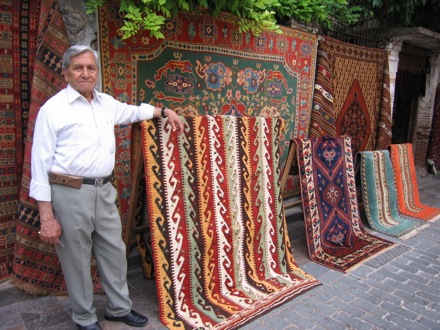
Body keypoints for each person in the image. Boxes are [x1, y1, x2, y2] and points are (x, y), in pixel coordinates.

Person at [29, 45, 184, 330]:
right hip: (69, 193)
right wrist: (47, 216)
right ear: (65, 72)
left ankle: (118, 308)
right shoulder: (52, 110)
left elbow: (133, 112)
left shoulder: (105, 103)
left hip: (104, 190)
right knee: (76, 258)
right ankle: (85, 318)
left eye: (90, 68)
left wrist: (164, 111)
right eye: (78, 68)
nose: (85, 73)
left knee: (113, 250)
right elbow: (39, 165)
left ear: (97, 72)